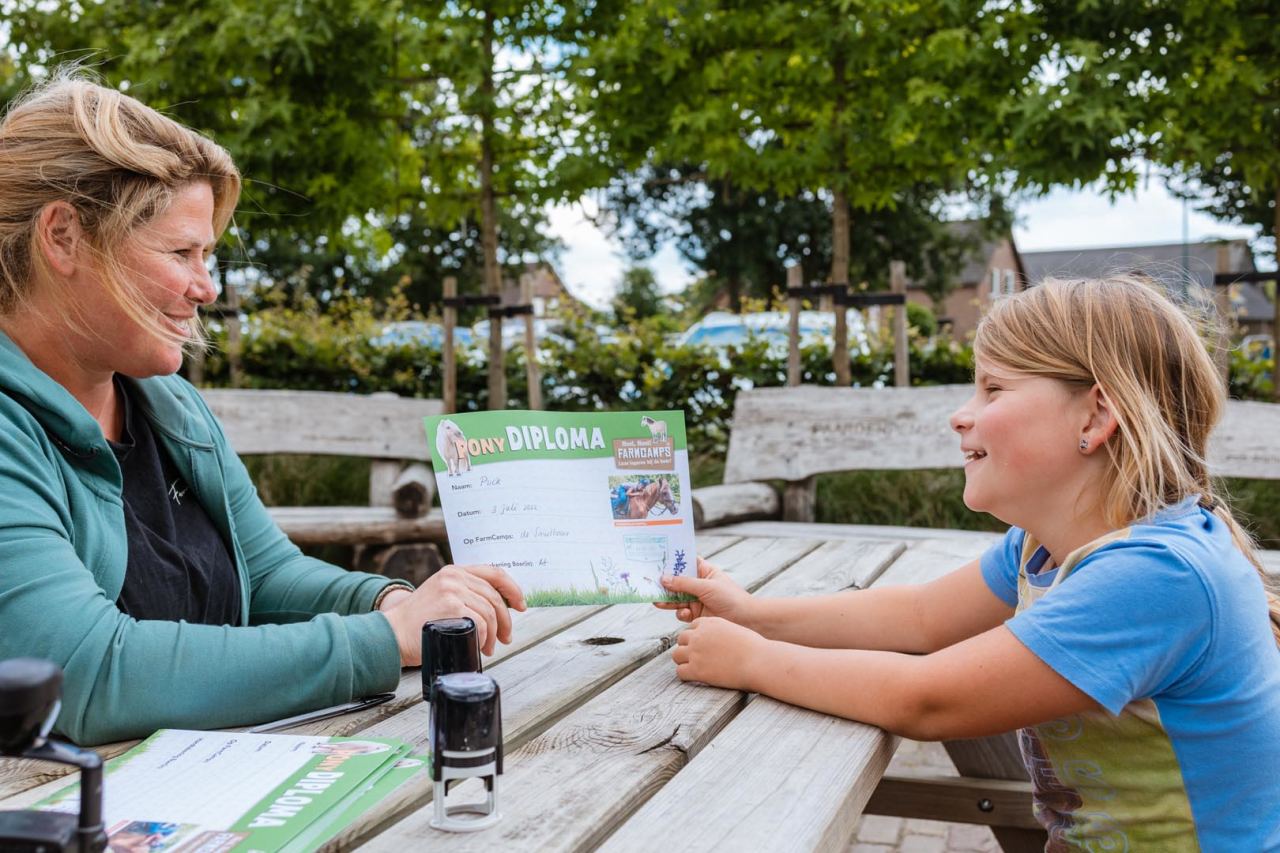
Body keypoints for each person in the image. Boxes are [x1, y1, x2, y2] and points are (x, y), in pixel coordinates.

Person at [659, 277, 1280, 849]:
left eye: (993, 388)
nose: (962, 413)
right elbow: (919, 616)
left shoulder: (1157, 576)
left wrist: (754, 661)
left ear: (1095, 416)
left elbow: (929, 701)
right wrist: (753, 614)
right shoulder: (1043, 545)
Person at [0, 71, 525, 746]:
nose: (206, 287)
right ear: (64, 237)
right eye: (181, 252)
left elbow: (269, 574)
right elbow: (86, 672)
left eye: (208, 255)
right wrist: (380, 639)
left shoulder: (171, 409)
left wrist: (393, 602)